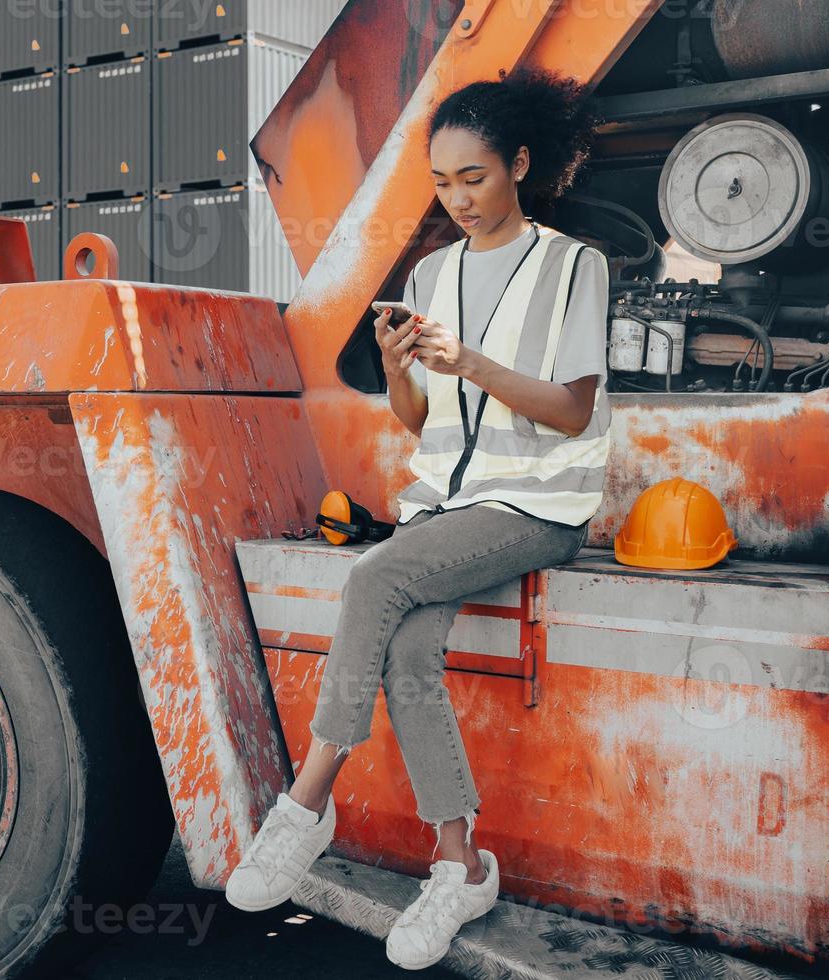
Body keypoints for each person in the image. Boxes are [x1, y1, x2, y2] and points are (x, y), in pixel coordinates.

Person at [225, 66, 613, 971]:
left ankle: (306, 804)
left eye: (474, 177)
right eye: (442, 183)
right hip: (447, 508)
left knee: (374, 573)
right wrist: (401, 368)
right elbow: (423, 420)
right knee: (404, 649)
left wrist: (470, 360)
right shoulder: (433, 270)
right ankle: (461, 864)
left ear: (520, 164)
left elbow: (571, 412)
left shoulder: (574, 266)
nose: (459, 198)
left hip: (539, 506)